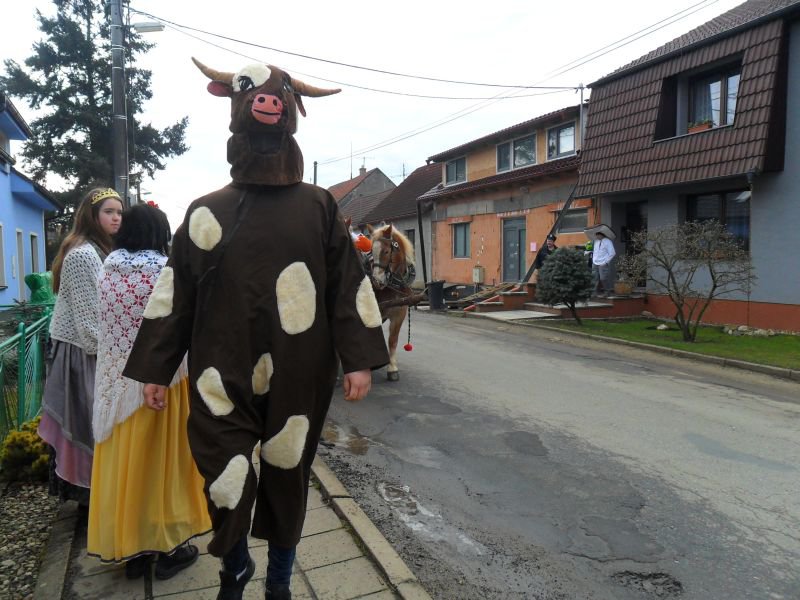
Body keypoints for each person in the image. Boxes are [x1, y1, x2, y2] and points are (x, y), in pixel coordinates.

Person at [122, 58, 389, 600]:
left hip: (300, 368)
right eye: (256, 95)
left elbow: (348, 285)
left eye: (278, 95)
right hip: (221, 368)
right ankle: (235, 564)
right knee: (223, 470)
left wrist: (358, 358)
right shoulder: (204, 212)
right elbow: (173, 295)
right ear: (237, 107)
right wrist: (156, 367)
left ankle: (282, 584)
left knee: (288, 472)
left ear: (290, 111)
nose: (268, 102)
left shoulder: (319, 208)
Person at [87, 203, 211, 579]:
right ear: (160, 235)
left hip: (113, 384)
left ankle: (132, 550)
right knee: (163, 465)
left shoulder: (106, 268)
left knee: (127, 468)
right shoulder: (163, 271)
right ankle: (168, 545)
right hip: (163, 383)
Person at [38, 187, 123, 506]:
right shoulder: (83, 254)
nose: (116, 218)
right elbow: (90, 325)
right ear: (91, 215)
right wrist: (120, 355)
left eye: (119, 213)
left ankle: (98, 497)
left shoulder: (97, 250)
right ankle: (93, 498)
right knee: (88, 423)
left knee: (94, 422)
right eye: (109, 212)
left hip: (88, 348)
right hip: (80, 351)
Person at [591, 231, 616, 297]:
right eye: (596, 235)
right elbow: (594, 251)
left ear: (601, 235)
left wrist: (606, 262)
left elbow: (612, 253)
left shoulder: (608, 241)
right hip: (595, 262)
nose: (596, 236)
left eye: (597, 235)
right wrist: (593, 260)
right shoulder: (596, 241)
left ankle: (607, 292)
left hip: (603, 263)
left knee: (603, 278)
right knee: (594, 278)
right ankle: (594, 293)